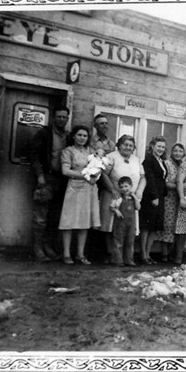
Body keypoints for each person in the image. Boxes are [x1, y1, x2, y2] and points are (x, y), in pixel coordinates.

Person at [29, 106, 70, 262]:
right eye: (59, 116)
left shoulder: (68, 136)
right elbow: (33, 155)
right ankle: (37, 248)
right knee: (40, 216)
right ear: (54, 117)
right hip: (46, 179)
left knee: (54, 217)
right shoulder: (44, 133)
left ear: (67, 118)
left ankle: (48, 246)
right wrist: (40, 175)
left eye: (64, 117)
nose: (61, 119)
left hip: (61, 181)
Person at [99, 135, 146, 265]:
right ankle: (112, 255)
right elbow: (103, 174)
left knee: (128, 228)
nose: (128, 147)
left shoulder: (136, 160)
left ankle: (126, 258)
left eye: (131, 145)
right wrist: (112, 189)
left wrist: (139, 191)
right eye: (125, 144)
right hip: (113, 195)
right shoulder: (112, 157)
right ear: (119, 145)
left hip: (131, 198)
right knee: (111, 226)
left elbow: (142, 177)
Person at [58, 125, 101, 265]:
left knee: (84, 222)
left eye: (85, 136)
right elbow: (65, 171)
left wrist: (95, 176)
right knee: (69, 221)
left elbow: (98, 167)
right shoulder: (68, 151)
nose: (82, 138)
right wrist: (85, 176)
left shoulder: (91, 151)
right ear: (74, 136)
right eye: (79, 135)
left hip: (89, 190)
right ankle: (66, 254)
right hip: (74, 188)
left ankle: (80, 254)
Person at [90, 113, 116, 264]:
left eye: (106, 123)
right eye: (101, 124)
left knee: (104, 218)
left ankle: (104, 252)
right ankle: (93, 253)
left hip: (106, 183)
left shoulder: (111, 144)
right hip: (94, 181)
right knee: (93, 217)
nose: (104, 126)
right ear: (95, 126)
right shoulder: (92, 142)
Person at [139, 136, 168, 265]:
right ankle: (143, 255)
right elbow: (150, 179)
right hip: (151, 197)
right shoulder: (149, 160)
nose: (161, 149)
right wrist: (154, 196)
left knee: (154, 228)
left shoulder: (161, 160)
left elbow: (162, 179)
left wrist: (162, 196)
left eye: (163, 147)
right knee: (146, 226)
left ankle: (148, 253)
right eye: (159, 146)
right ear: (152, 146)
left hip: (160, 196)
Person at [154, 143, 185, 262]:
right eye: (175, 151)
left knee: (176, 226)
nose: (178, 153)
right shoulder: (167, 163)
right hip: (169, 197)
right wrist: (179, 186)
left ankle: (172, 252)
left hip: (180, 199)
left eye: (180, 151)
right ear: (172, 152)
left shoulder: (184, 165)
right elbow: (165, 182)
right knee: (167, 224)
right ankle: (164, 253)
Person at [110, 176, 141, 267]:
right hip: (120, 223)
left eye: (126, 186)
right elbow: (112, 207)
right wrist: (117, 211)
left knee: (130, 242)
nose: (124, 189)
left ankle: (129, 260)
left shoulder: (133, 197)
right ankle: (118, 260)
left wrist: (135, 197)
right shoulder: (119, 198)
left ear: (131, 186)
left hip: (131, 224)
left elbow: (138, 207)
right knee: (118, 241)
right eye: (121, 187)